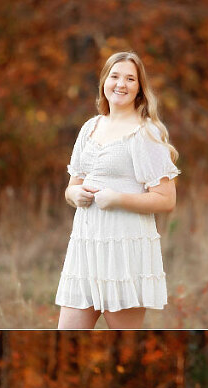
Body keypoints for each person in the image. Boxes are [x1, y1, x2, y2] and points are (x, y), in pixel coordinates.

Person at [55, 51, 180, 329]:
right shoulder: (90, 128)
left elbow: (166, 199)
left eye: (130, 79)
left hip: (125, 252)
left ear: (139, 89)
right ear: (104, 82)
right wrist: (73, 195)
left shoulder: (145, 133)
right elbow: (72, 186)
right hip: (85, 248)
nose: (120, 84)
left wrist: (118, 199)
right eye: (114, 76)